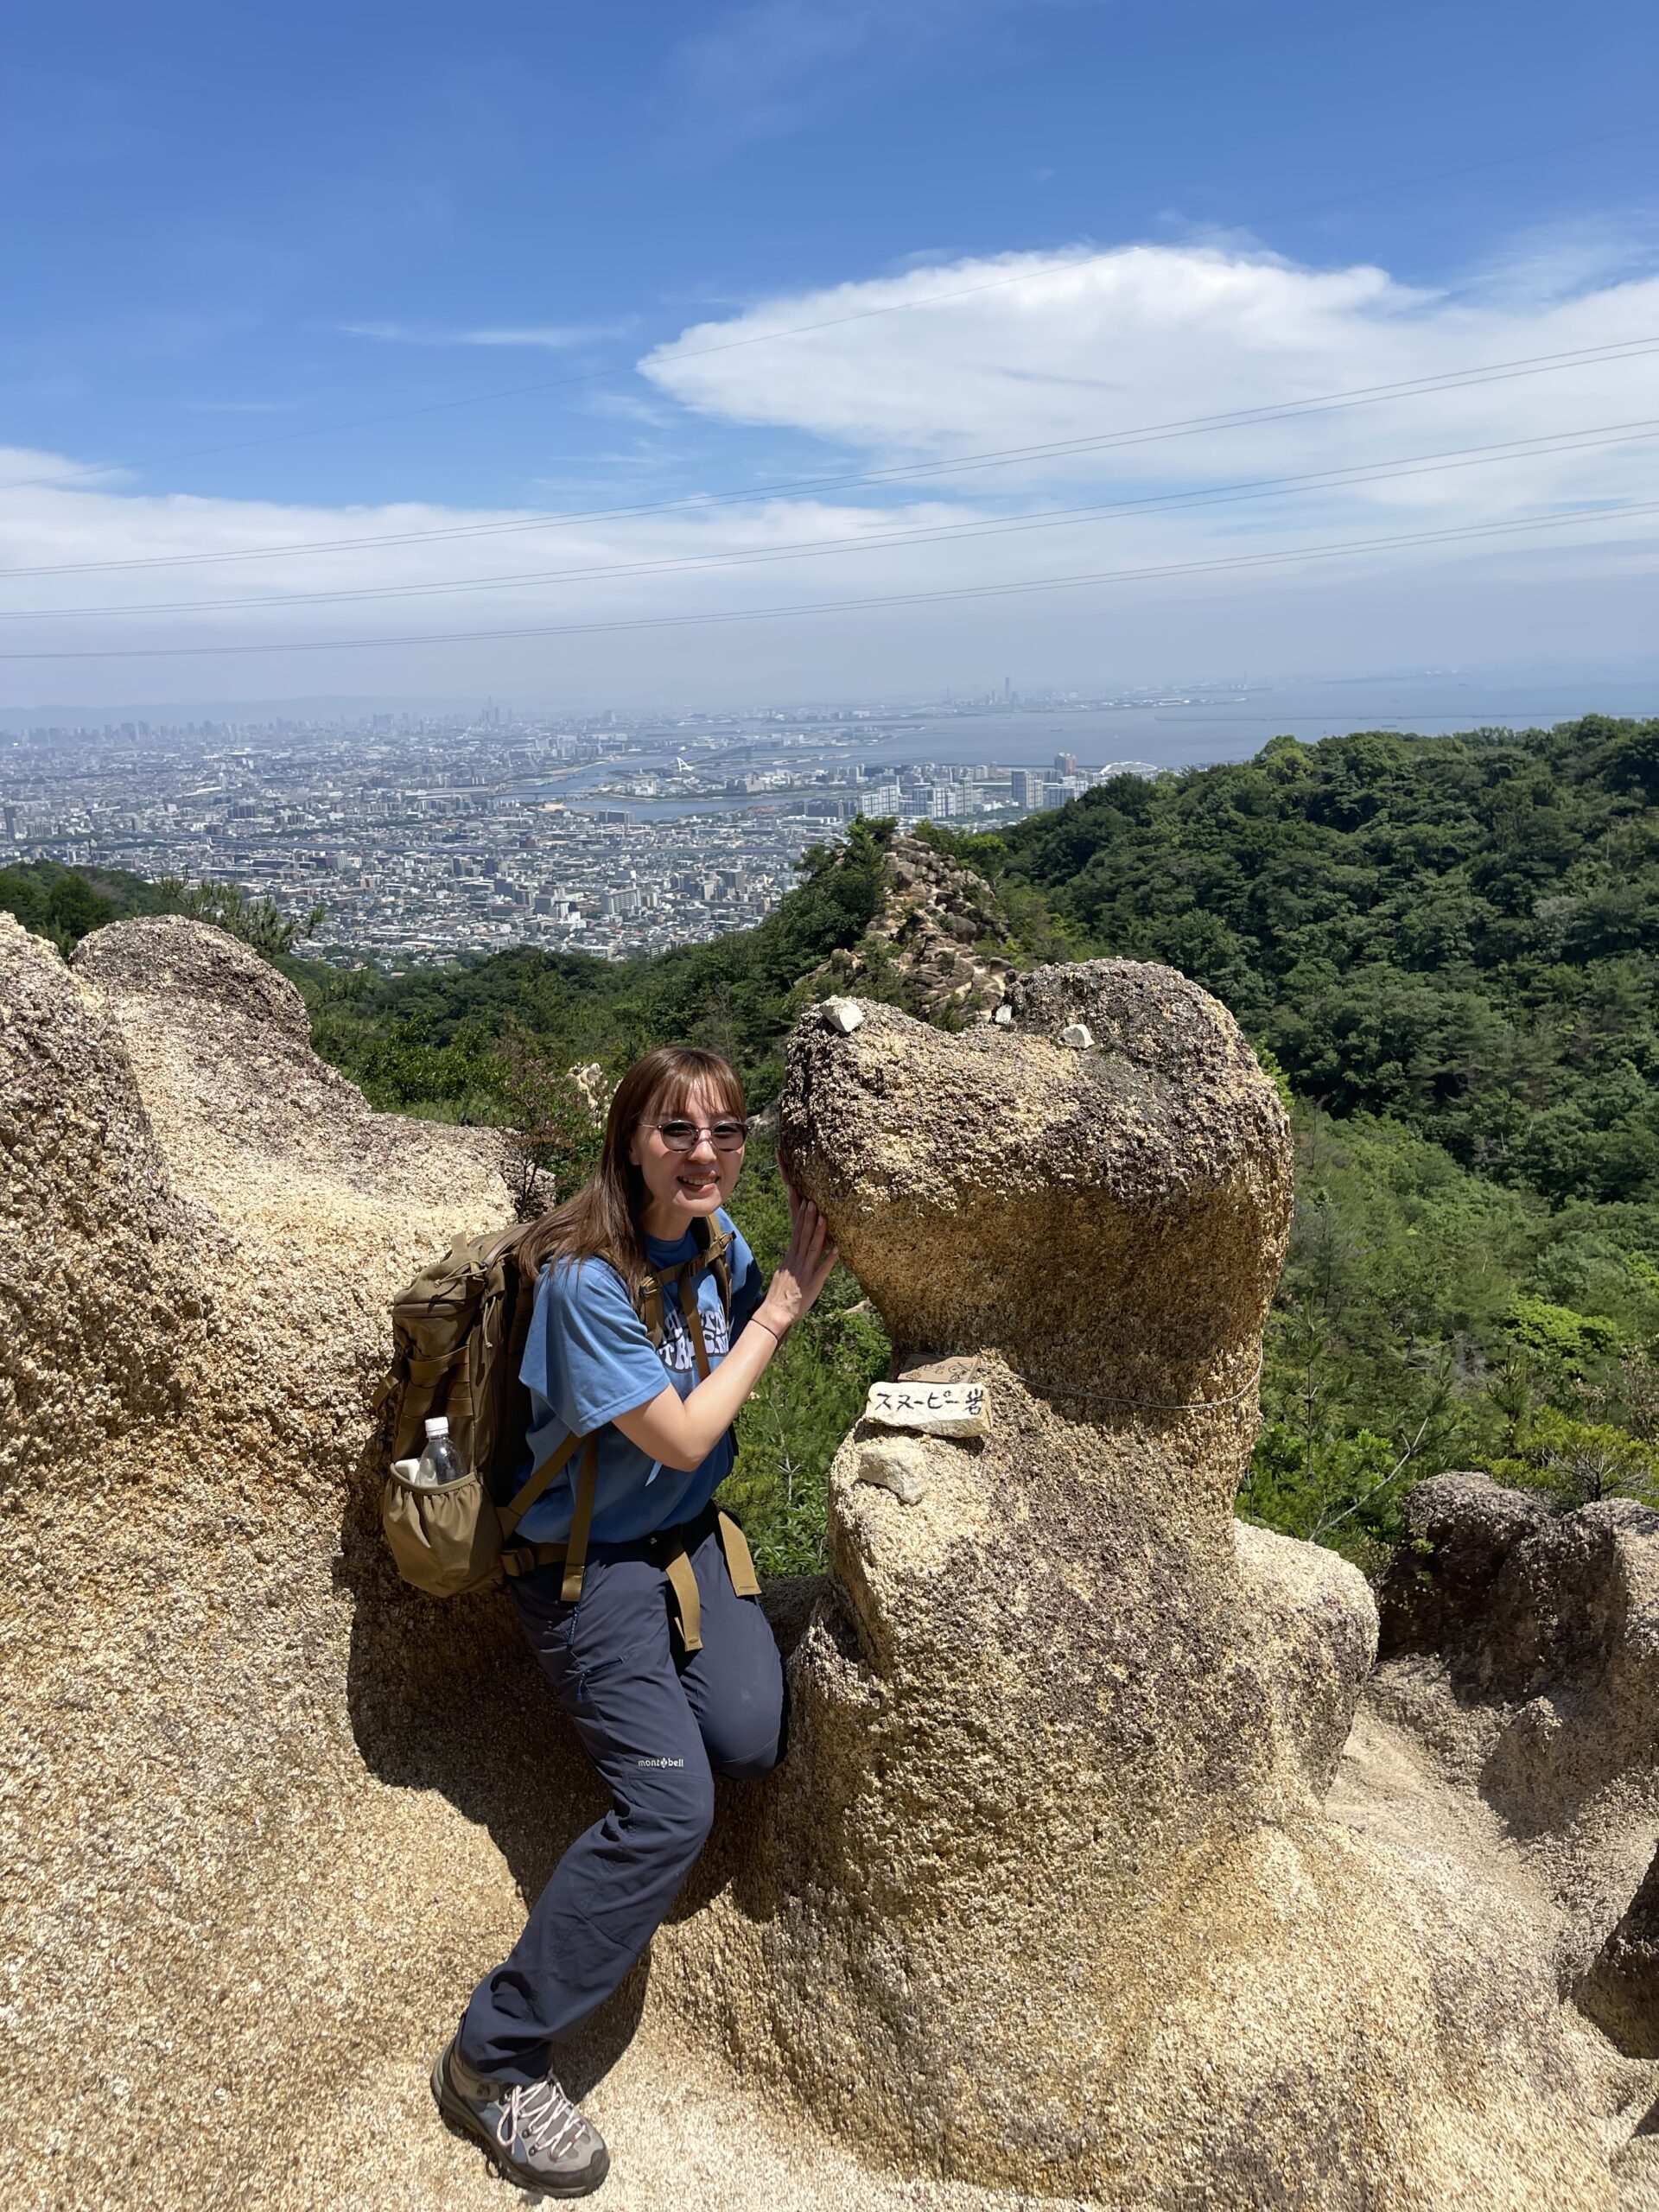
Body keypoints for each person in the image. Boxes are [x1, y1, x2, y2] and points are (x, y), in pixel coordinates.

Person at [430, 1045, 838, 2198]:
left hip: (688, 1545)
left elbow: (742, 1339)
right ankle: (494, 2056)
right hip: (586, 1566)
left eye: (724, 1132)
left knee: (752, 1738)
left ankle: (671, 1698)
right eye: (675, 1131)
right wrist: (786, 1313)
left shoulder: (715, 1247)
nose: (703, 1154)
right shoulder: (584, 1283)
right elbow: (681, 1437)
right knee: (671, 1806)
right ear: (629, 1142)